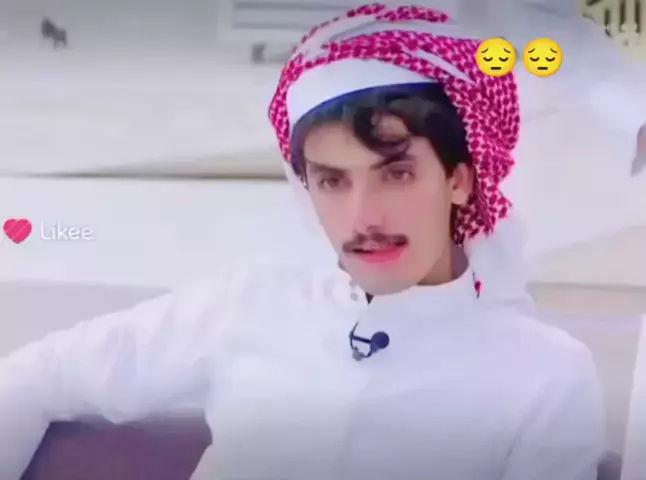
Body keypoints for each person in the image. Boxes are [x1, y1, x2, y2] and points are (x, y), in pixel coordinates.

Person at [0, 4, 607, 480]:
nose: (363, 217)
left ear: (459, 179)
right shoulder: (250, 304)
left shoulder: (544, 376)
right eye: (333, 181)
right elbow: (32, 378)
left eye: (396, 174)